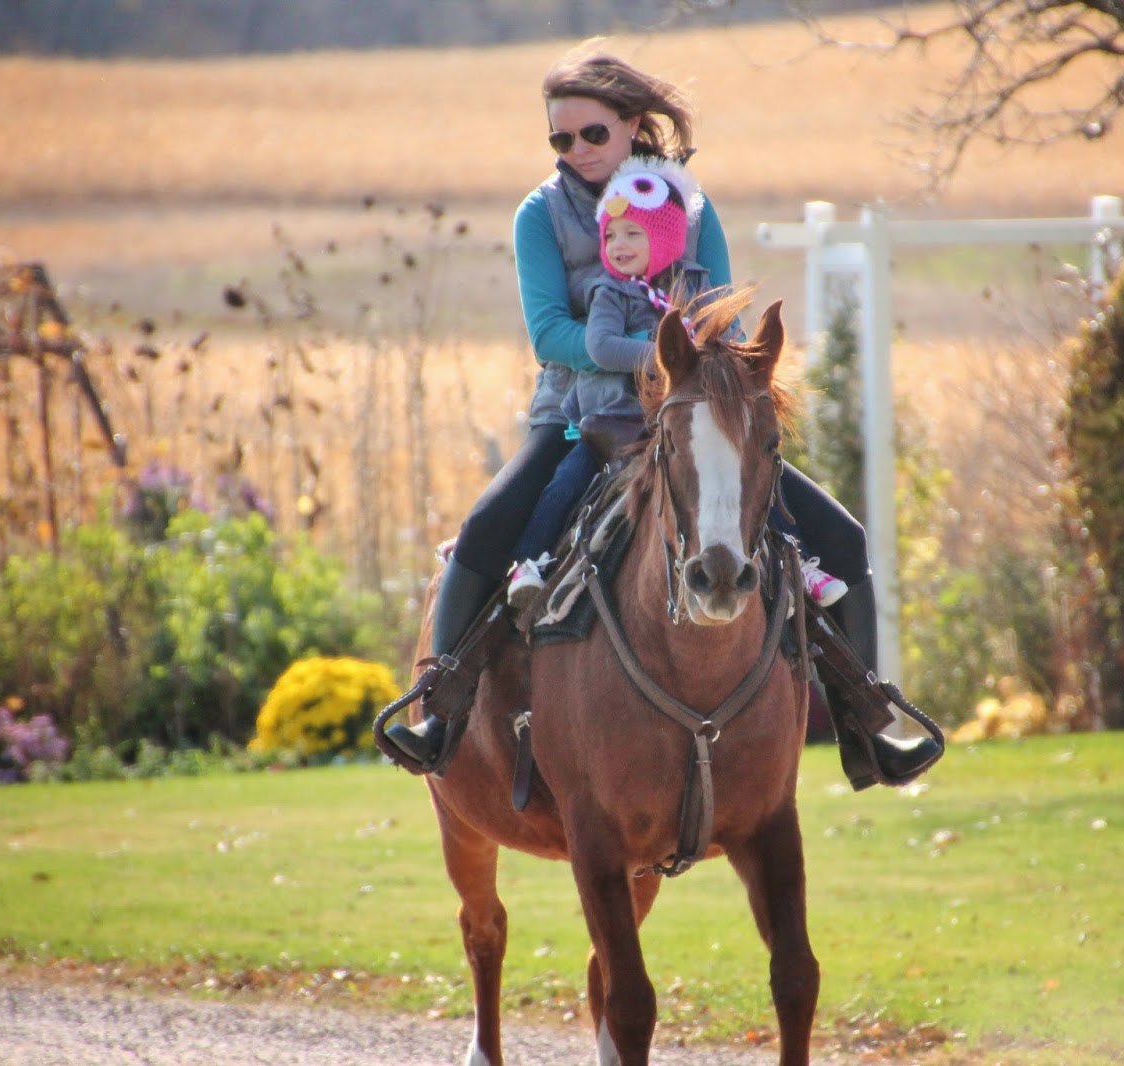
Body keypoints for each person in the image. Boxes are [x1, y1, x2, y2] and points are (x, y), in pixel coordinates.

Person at [384, 46, 939, 788]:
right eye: (559, 139)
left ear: (634, 126)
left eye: (591, 135)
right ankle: (439, 714)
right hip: (580, 414)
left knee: (841, 537)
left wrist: (697, 375)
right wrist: (662, 355)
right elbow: (550, 335)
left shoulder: (692, 206)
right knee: (488, 527)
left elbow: (722, 323)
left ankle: (870, 724)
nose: (575, 152)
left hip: (694, 419)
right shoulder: (538, 215)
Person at [504, 153, 847, 611]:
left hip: (685, 417)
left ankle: (802, 563)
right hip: (612, 420)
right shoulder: (609, 292)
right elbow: (601, 346)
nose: (618, 244)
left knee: (754, 477)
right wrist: (673, 362)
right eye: (610, 235)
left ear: (664, 241)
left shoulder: (696, 284)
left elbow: (724, 337)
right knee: (566, 482)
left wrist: (715, 366)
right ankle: (529, 560)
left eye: (632, 234)